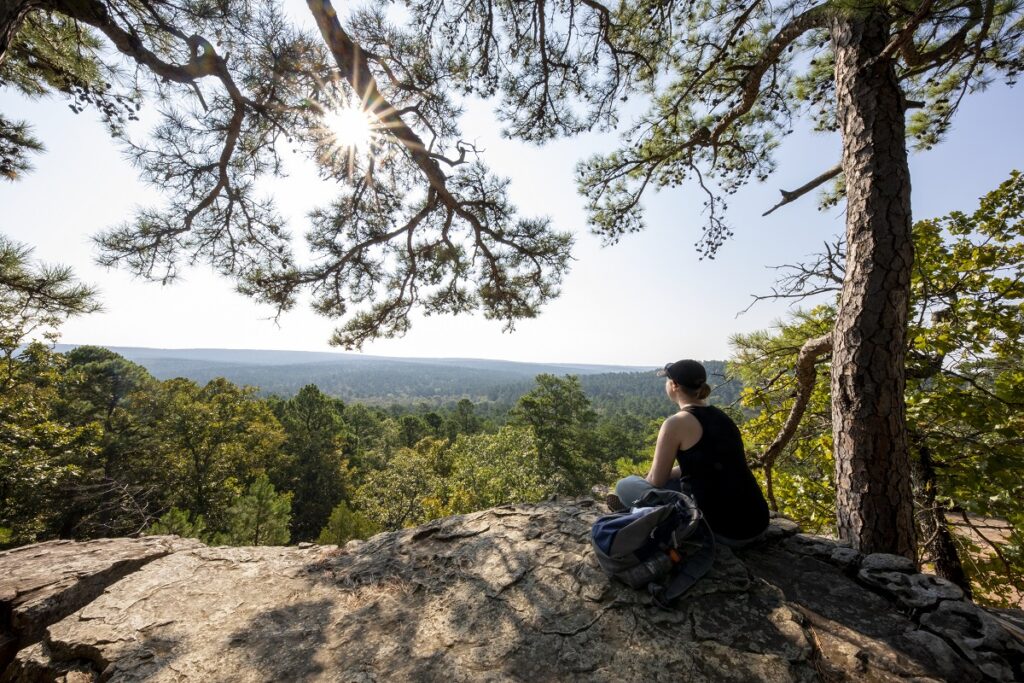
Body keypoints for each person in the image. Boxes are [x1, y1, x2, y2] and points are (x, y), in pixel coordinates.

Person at [610, 359, 769, 545]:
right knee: (670, 480)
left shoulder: (676, 423)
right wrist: (670, 474)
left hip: (722, 531)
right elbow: (707, 463)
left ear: (674, 385)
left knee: (626, 485)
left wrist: (652, 482)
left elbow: (656, 480)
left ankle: (639, 513)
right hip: (758, 523)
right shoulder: (721, 416)